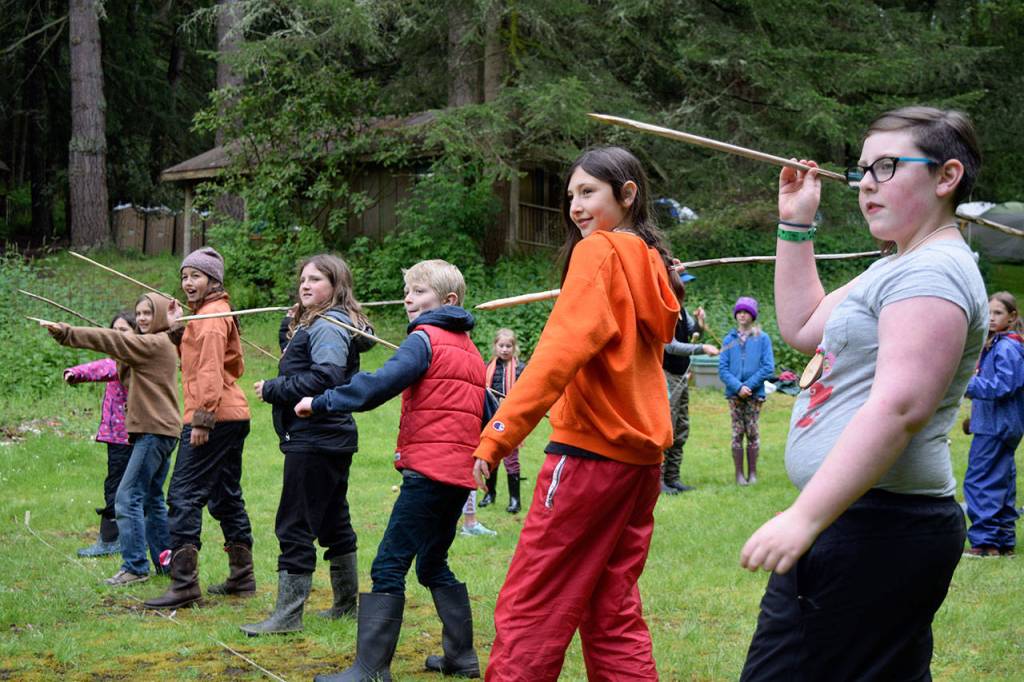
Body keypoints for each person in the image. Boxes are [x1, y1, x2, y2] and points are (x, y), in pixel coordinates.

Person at [739, 106, 988, 681]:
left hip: (876, 528)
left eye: (886, 167)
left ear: (946, 177)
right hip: (862, 523)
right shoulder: (899, 263)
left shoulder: (932, 274)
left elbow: (900, 407)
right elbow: (803, 326)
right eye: (861, 171)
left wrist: (805, 518)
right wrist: (796, 225)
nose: (866, 184)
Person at [472, 146, 680, 680]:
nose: (575, 207)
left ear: (627, 194)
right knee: (613, 608)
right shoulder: (651, 261)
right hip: (641, 465)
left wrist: (497, 434)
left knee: (532, 605)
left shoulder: (600, 253)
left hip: (590, 459)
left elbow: (554, 358)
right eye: (571, 196)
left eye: (589, 192)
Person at [296, 259, 491, 681]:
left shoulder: (425, 340)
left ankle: (369, 670)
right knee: (432, 563)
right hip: (457, 479)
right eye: (408, 290)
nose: (408, 298)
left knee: (388, 566)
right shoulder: (471, 351)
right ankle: (461, 659)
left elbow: (379, 384)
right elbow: (488, 411)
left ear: (448, 300)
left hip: (429, 474)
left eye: (419, 291)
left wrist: (321, 401)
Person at [240, 254, 376, 635]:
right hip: (329, 437)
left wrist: (273, 389)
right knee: (333, 520)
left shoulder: (329, 325)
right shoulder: (322, 322)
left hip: (316, 437)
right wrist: (290, 326)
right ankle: (346, 604)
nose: (305, 285)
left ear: (336, 286)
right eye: (303, 278)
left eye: (315, 279)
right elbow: (302, 362)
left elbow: (326, 377)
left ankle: (287, 617)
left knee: (295, 523)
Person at [43, 295, 181, 585]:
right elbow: (118, 352)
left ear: (158, 317)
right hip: (163, 430)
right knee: (152, 498)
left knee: (127, 496)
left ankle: (134, 567)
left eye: (148, 313)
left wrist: (67, 333)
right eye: (139, 313)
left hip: (154, 432)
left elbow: (111, 341)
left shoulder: (153, 344)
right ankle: (165, 562)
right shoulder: (161, 343)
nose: (142, 318)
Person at [145, 247, 255, 609]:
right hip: (232, 413)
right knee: (224, 494)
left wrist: (202, 420)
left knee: (183, 495)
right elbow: (201, 361)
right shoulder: (210, 314)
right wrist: (178, 329)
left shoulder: (210, 318)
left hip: (215, 416)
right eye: (184, 276)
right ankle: (242, 577)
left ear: (213, 280)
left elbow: (209, 371)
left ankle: (184, 585)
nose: (187, 283)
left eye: (195, 276)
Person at [65, 310, 135, 557]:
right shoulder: (121, 356)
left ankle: (111, 540)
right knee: (124, 487)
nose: (118, 336)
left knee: (118, 488)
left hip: (126, 437)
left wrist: (77, 372)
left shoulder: (127, 359)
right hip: (116, 435)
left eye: (124, 330)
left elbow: (104, 368)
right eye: (113, 331)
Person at [963, 291, 1024, 557]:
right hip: (999, 424)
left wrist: (964, 384)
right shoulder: (1002, 344)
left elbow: (1004, 386)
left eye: (997, 313)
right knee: (1002, 481)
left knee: (981, 481)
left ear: (1012, 317)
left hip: (996, 427)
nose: (990, 318)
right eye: (988, 312)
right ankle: (1003, 542)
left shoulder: (1007, 346)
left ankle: (985, 543)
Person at [661, 272, 718, 494]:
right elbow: (670, 345)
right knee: (669, 427)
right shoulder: (665, 312)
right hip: (667, 375)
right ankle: (659, 480)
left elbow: (694, 333)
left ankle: (673, 477)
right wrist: (701, 349)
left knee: (682, 426)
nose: (685, 289)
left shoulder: (683, 312)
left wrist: (701, 324)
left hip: (682, 375)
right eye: (682, 285)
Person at [718, 296, 775, 485]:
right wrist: (737, 387)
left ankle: (752, 473)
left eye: (746, 312)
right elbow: (723, 369)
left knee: (752, 432)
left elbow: (768, 367)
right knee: (737, 433)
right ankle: (739, 474)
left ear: (752, 316)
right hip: (734, 395)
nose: (742, 315)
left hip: (754, 394)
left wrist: (748, 386)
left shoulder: (762, 338)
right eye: (739, 312)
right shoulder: (729, 339)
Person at [478, 328, 527, 513]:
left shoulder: (520, 369)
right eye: (501, 345)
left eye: (509, 346)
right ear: (495, 346)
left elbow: (527, 394)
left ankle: (515, 500)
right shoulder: (487, 367)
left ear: (514, 348)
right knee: (491, 456)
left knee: (511, 459)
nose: (505, 349)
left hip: (511, 421)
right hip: (492, 419)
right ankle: (490, 494)